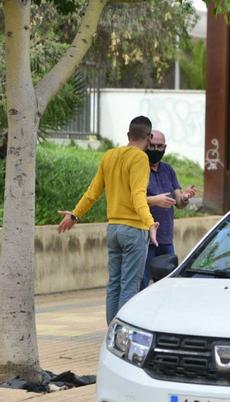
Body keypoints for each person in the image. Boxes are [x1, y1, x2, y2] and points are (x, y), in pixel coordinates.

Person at [58, 116, 159, 325]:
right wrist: (150, 223)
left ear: (128, 135)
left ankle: (111, 332)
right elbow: (138, 195)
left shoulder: (109, 156)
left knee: (114, 284)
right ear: (148, 137)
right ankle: (120, 336)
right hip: (134, 230)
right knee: (129, 286)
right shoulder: (140, 159)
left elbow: (92, 193)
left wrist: (75, 215)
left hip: (113, 230)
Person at [140, 130, 197, 290]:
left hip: (165, 239)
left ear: (165, 147)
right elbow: (133, 201)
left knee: (166, 287)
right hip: (145, 239)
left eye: (160, 146)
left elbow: (179, 202)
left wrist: (185, 197)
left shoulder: (168, 170)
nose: (156, 150)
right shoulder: (139, 168)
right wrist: (155, 201)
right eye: (152, 146)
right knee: (142, 284)